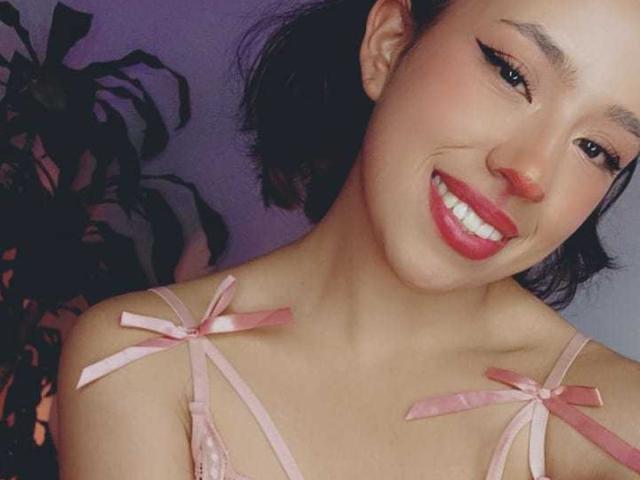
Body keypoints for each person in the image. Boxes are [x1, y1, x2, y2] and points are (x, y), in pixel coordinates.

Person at [56, 0, 640, 478]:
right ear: (389, 44)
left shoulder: (613, 423)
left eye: (597, 149)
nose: (531, 171)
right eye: (512, 74)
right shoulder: (141, 357)